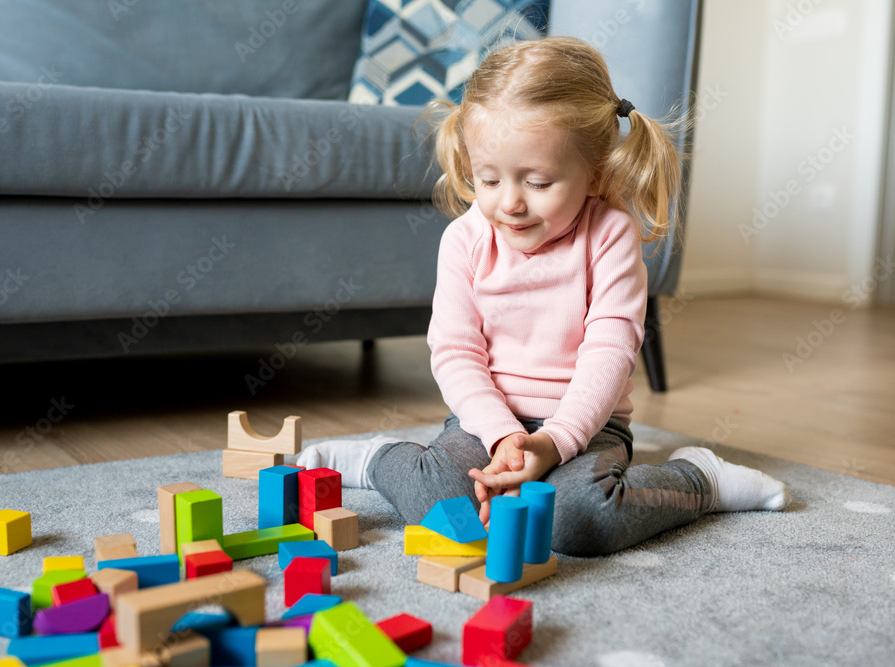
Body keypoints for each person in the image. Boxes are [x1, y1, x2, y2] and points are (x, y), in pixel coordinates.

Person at [297, 36, 790, 556]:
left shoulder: (610, 234)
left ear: (595, 173)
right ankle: (378, 461)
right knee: (443, 503)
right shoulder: (464, 240)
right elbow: (456, 352)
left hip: (587, 425)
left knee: (578, 518)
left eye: (537, 182)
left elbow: (611, 350)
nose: (509, 203)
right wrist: (501, 436)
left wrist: (555, 442)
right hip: (484, 422)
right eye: (488, 179)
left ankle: (699, 479)